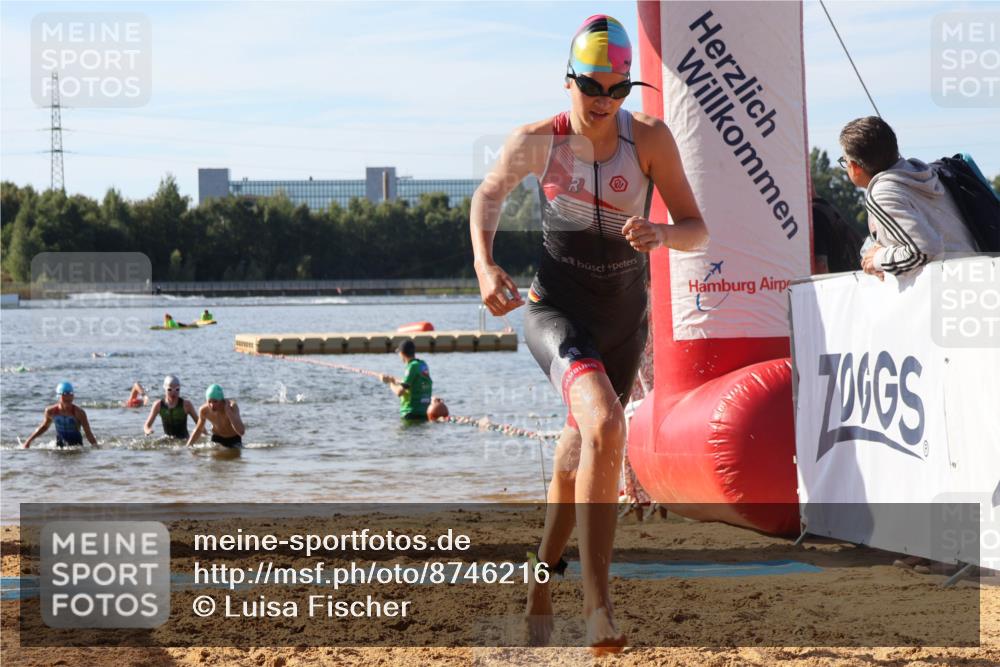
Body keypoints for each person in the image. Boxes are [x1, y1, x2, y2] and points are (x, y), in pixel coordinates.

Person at [470, 15, 708, 652]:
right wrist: (485, 263)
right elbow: (487, 196)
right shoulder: (535, 141)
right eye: (591, 86)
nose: (603, 101)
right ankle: (599, 606)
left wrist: (663, 235)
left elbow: (696, 227)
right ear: (568, 80)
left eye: (618, 89)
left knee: (579, 453)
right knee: (605, 426)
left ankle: (538, 581)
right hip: (556, 312)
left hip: (624, 323)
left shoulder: (650, 139)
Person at [838, 116, 978, 279]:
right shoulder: (925, 174)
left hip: (946, 288)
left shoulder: (883, 193)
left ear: (854, 167)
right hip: (975, 277)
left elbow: (924, 249)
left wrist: (877, 260)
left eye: (844, 161)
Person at [23, 382, 97, 448]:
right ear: (58, 396)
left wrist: (96, 447)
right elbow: (44, 427)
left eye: (70, 394)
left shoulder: (79, 413)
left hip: (76, 446)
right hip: (59, 446)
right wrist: (28, 441)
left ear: (73, 396)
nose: (68, 397)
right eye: (64, 394)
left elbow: (88, 433)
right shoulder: (51, 411)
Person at [380, 340, 438, 420]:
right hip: (425, 413)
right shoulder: (422, 364)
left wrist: (390, 383)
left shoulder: (411, 367)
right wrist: (394, 380)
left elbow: (399, 392)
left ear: (402, 353)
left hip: (411, 413)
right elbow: (413, 382)